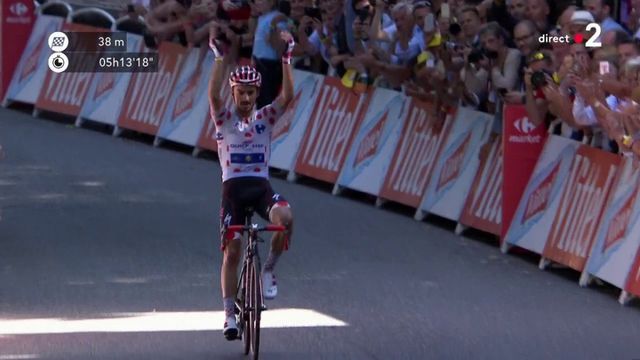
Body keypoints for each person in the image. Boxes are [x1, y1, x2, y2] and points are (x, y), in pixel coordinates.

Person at [207, 23, 295, 341]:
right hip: (232, 191)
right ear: (234, 93)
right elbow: (213, 95)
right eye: (240, 92)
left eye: (250, 92)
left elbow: (288, 96)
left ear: (257, 93)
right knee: (232, 250)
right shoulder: (224, 119)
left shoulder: (266, 119)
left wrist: (286, 58)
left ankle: (269, 268)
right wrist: (219, 58)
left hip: (260, 188)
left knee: (285, 219)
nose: (245, 97)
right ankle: (230, 314)